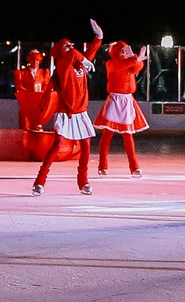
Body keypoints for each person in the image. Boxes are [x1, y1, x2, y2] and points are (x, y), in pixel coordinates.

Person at [33, 23, 105, 194]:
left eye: (71, 44)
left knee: (86, 146)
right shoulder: (62, 67)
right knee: (57, 145)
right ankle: (40, 180)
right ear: (60, 51)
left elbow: (87, 54)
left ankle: (83, 181)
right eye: (66, 45)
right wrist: (84, 59)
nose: (71, 47)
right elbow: (75, 55)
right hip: (65, 112)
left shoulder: (79, 62)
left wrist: (99, 38)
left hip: (80, 112)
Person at [93, 38, 149, 176]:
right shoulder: (111, 63)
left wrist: (135, 59)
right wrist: (134, 58)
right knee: (107, 134)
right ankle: (102, 165)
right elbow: (122, 66)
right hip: (115, 99)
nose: (125, 52)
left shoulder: (129, 63)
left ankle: (134, 166)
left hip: (127, 99)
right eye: (122, 50)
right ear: (117, 51)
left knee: (128, 135)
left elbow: (137, 67)